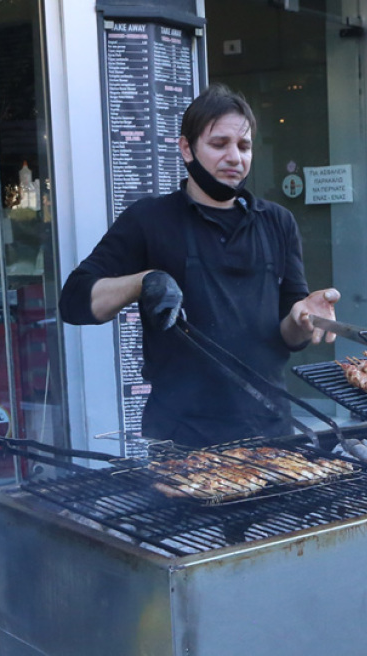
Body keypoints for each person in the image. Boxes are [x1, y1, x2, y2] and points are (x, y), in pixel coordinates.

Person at [59, 84, 340, 448]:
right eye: (219, 144)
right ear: (186, 149)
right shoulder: (150, 219)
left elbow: (288, 336)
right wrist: (144, 281)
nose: (235, 158)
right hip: (180, 437)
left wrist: (304, 318)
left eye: (243, 146)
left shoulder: (278, 222)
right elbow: (74, 301)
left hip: (269, 430)